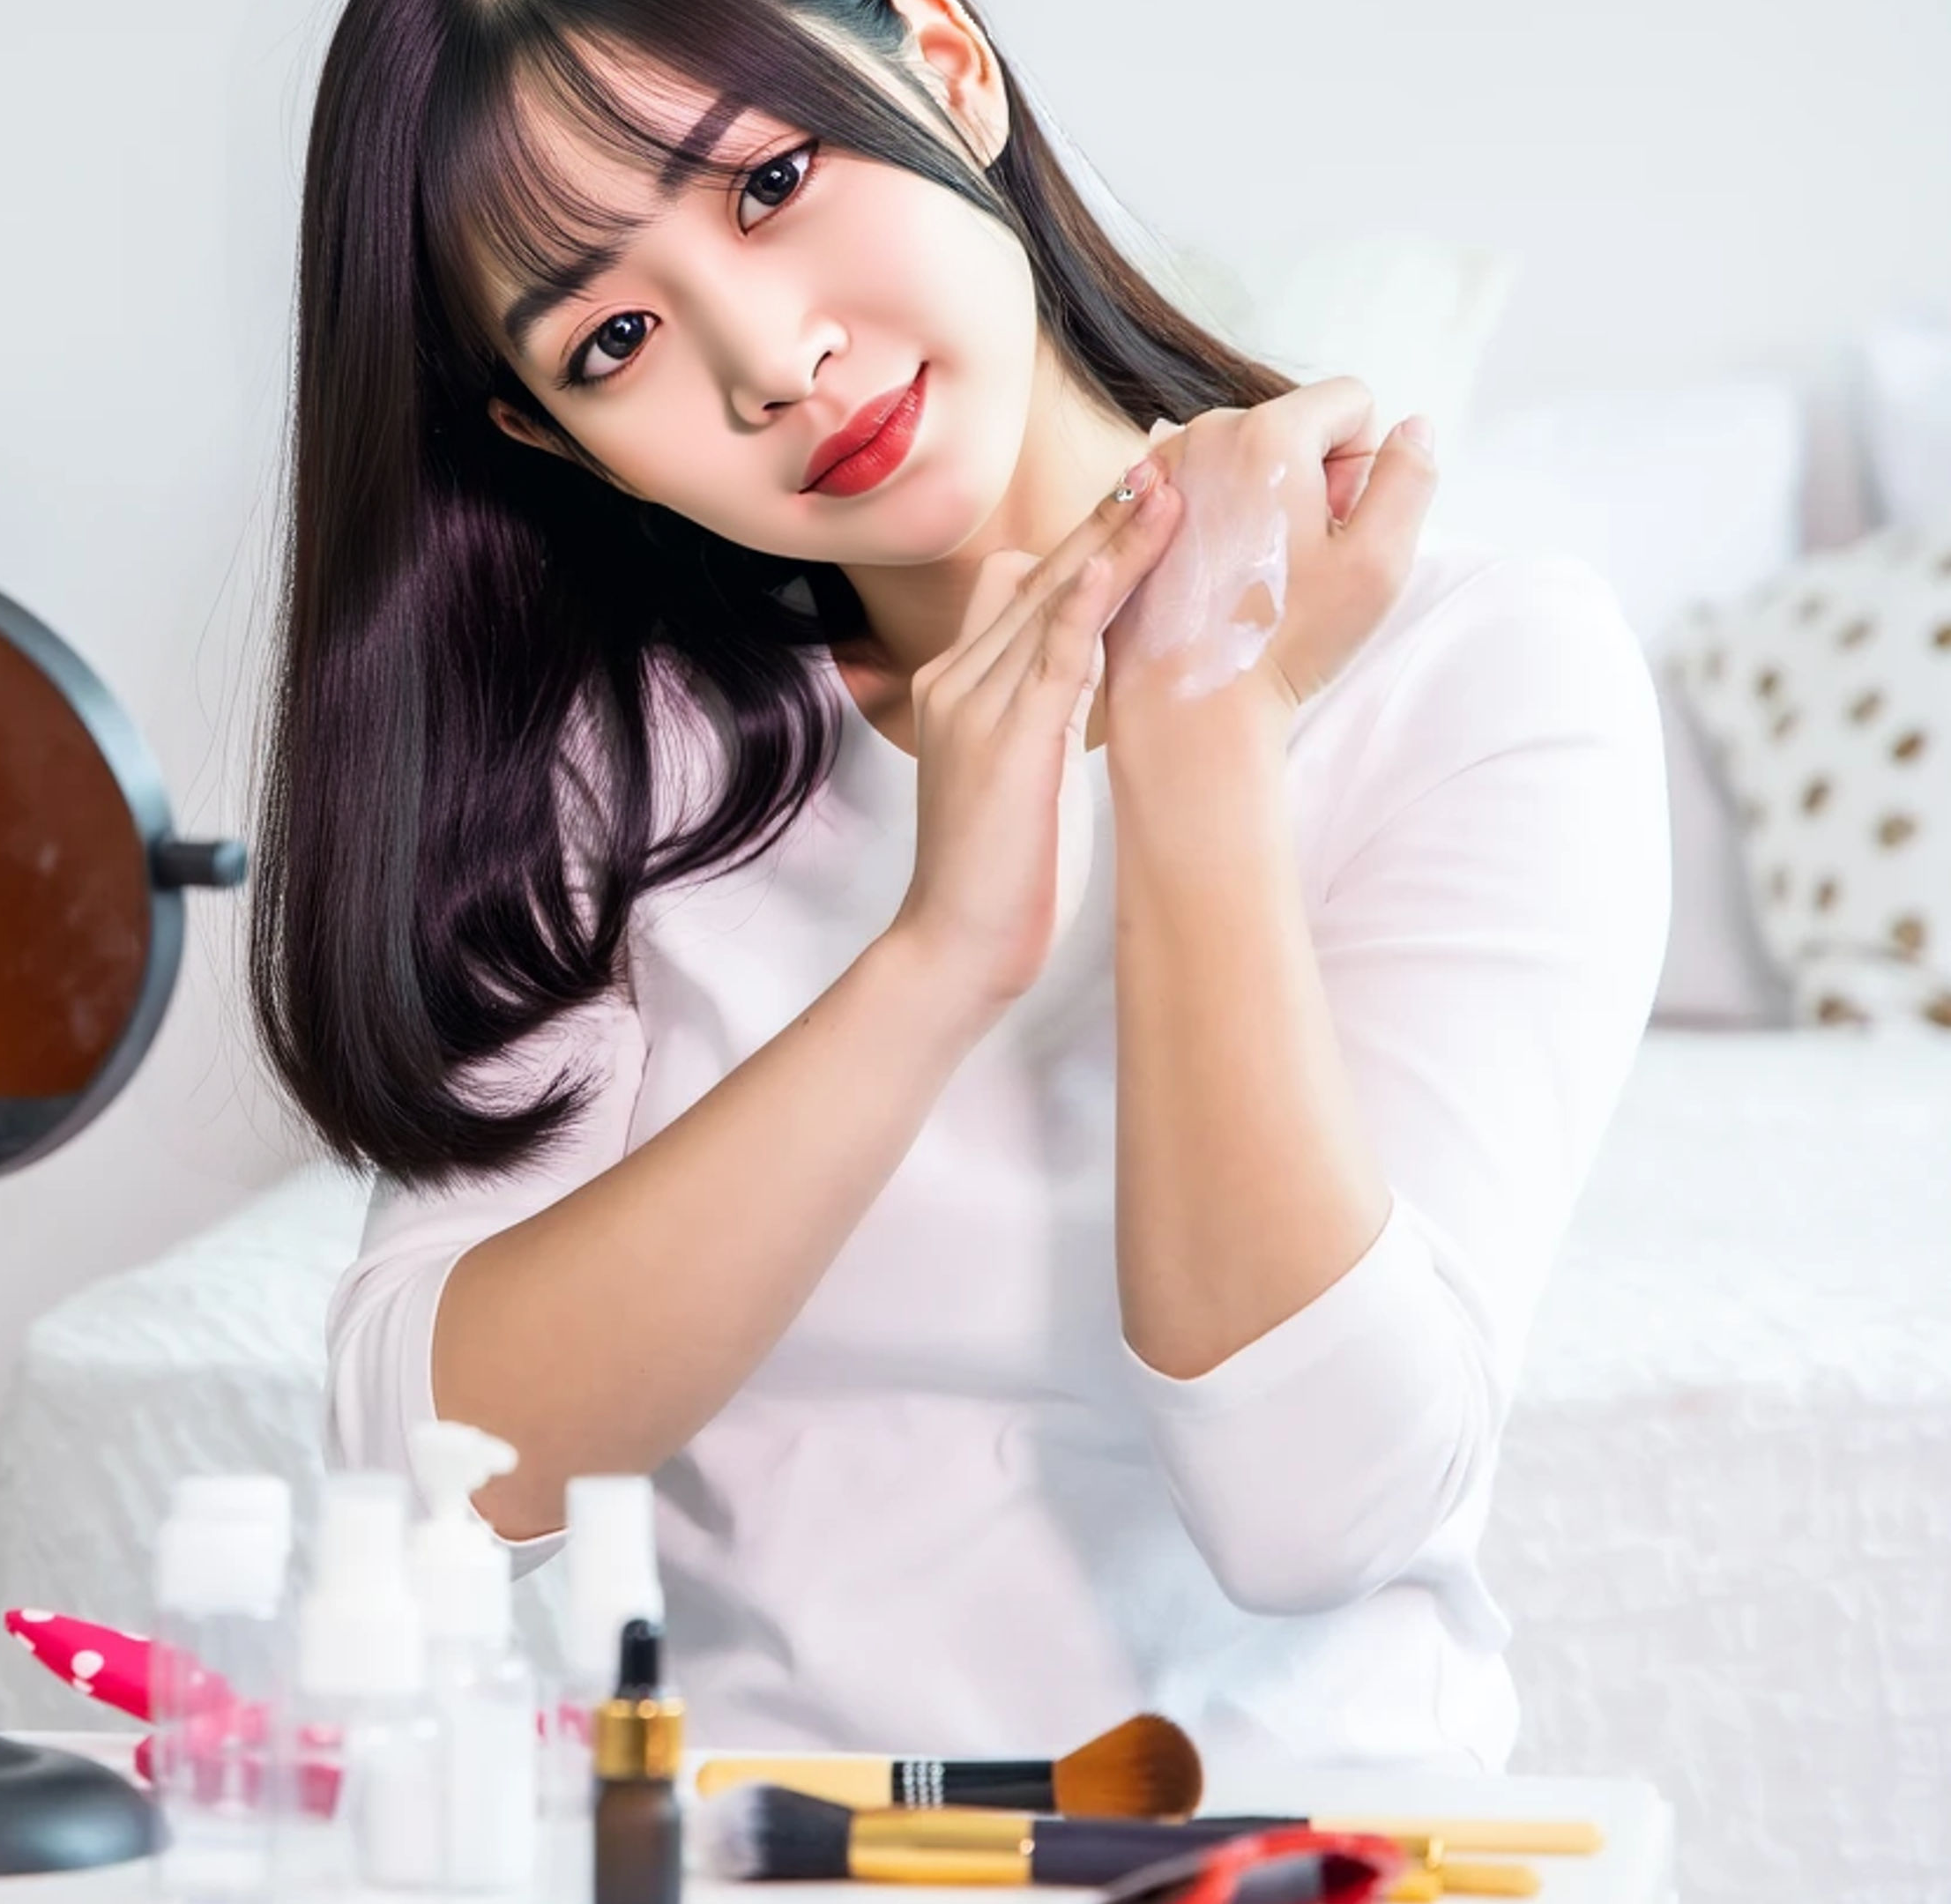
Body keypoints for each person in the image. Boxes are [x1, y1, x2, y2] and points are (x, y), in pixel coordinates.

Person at [249, 0, 1669, 1772]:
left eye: (773, 178)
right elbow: (437, 1484)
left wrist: (1199, 744)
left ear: (946, 61)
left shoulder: (1470, 663)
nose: (771, 359)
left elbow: (1326, 1516)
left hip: (1286, 1858)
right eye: (612, 335)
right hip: (763, 1857)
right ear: (546, 436)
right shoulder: (620, 757)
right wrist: (935, 963)